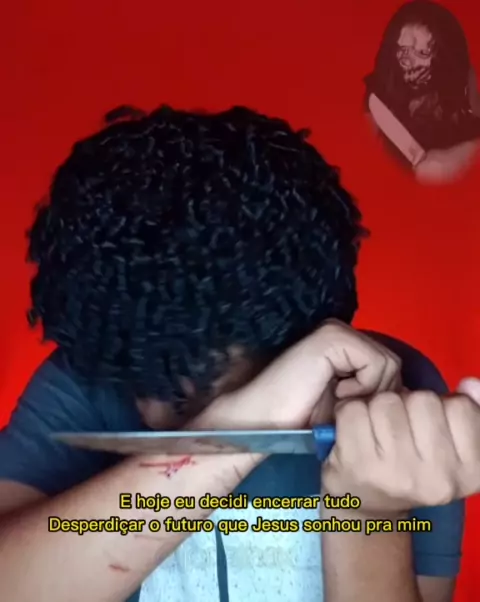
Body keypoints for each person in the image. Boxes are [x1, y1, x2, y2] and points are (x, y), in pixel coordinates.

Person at [0, 105, 470, 602]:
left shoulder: (397, 403)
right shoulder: (91, 375)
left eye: (191, 394)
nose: (154, 414)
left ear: (298, 347)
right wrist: (236, 431)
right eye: (144, 384)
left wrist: (367, 508)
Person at [364, 0, 480, 184]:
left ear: (443, 57)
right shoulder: (378, 101)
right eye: (403, 50)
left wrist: (457, 158)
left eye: (423, 52)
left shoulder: (464, 111)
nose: (408, 62)